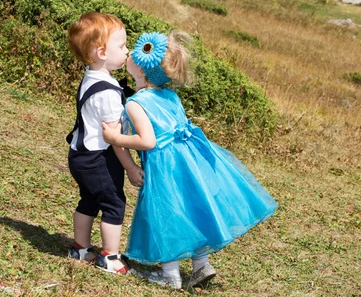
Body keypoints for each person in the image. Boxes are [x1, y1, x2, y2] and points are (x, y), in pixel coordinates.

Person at [102, 31, 278, 289]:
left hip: (165, 166)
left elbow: (148, 141)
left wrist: (116, 138)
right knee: (191, 209)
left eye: (134, 52)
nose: (129, 52)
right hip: (188, 161)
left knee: (168, 214)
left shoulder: (136, 103)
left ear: (141, 68)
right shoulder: (171, 96)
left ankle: (170, 274)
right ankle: (201, 265)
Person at [65, 12, 144, 275]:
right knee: (113, 203)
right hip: (99, 157)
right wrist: (131, 168)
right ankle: (110, 257)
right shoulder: (109, 93)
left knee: (89, 199)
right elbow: (116, 140)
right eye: (121, 46)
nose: (127, 50)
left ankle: (81, 248)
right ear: (101, 52)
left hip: (80, 155)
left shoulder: (93, 78)